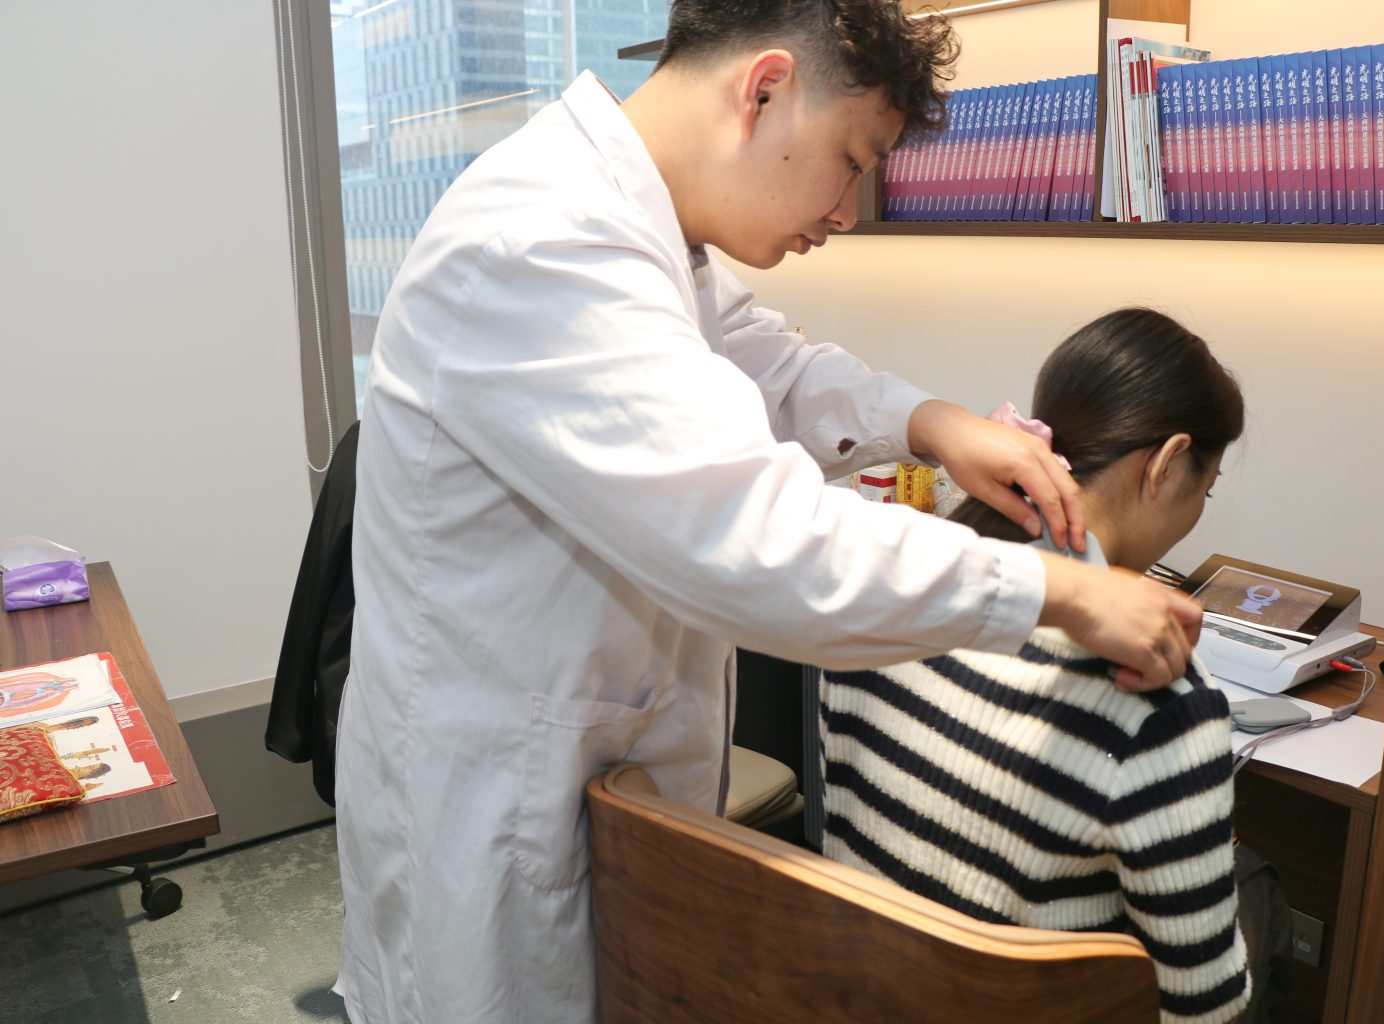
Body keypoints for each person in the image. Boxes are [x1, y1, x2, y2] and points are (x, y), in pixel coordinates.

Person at [335, 3, 1206, 1021]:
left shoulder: (649, 229)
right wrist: (1061, 589)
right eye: (850, 159)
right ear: (764, 90)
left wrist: (931, 424)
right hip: (494, 811)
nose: (845, 211)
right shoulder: (545, 241)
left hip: (585, 781)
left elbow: (773, 369)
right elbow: (758, 545)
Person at [820, 308, 1286, 1023]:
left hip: (863, 993)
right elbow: (1204, 1010)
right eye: (1206, 485)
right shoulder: (1159, 696)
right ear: (1166, 463)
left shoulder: (895, 585)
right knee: (1256, 892)